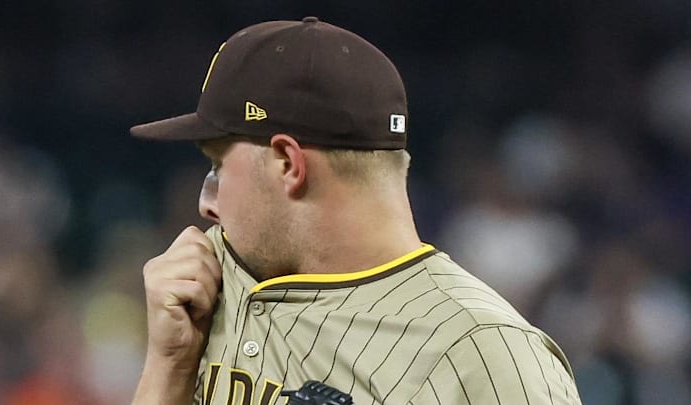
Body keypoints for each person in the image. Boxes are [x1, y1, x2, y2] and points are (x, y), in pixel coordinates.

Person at [129, 16, 582, 405]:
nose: (206, 203)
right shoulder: (212, 285)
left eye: (217, 167)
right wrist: (168, 370)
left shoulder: (481, 354)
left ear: (288, 164)